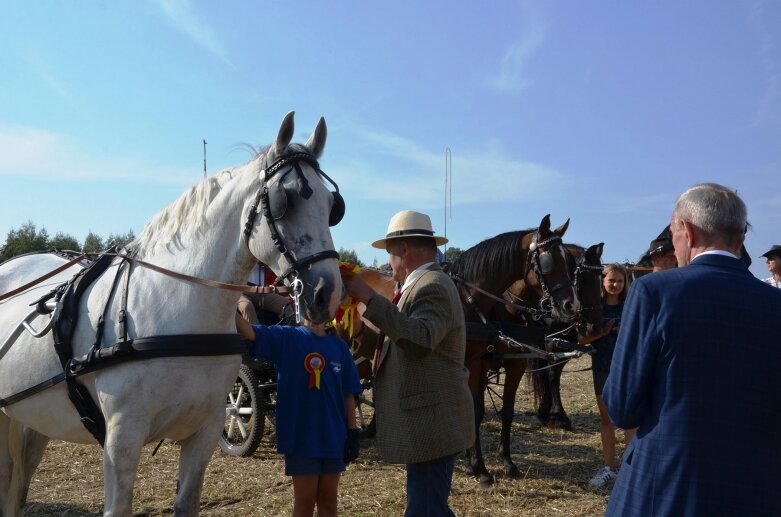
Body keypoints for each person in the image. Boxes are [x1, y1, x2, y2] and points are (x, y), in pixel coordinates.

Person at [603, 183, 781, 516]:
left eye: (673, 235)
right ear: (740, 240)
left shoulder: (653, 292)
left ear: (685, 230)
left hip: (663, 486)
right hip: (759, 488)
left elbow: (622, 408)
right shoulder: (776, 304)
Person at [342, 210, 474, 517]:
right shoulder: (419, 285)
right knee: (428, 507)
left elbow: (420, 339)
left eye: (389, 253)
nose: (388, 262)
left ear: (403, 248)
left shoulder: (432, 286)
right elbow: (398, 344)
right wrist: (362, 331)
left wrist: (370, 299)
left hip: (432, 422)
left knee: (424, 510)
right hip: (428, 422)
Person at [235, 315, 362, 517]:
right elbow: (250, 332)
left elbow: (348, 392)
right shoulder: (287, 338)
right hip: (301, 438)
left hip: (333, 436)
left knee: (329, 500)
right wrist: (226, 301)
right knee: (305, 502)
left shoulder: (339, 347)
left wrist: (353, 431)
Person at [578, 263, 630, 488]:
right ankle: (609, 468)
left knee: (629, 419)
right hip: (601, 367)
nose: (615, 285)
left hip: (628, 367)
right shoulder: (593, 309)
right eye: (612, 280)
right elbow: (581, 340)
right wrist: (603, 332)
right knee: (607, 419)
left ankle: (629, 469)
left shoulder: (632, 306)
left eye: (620, 281)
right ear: (603, 281)